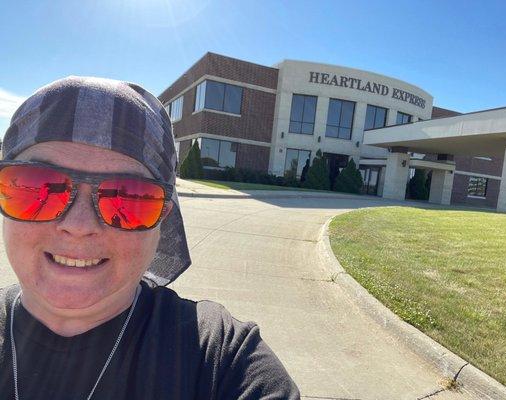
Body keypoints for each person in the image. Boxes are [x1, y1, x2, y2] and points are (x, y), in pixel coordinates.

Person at [0, 76, 300, 399]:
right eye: (37, 185)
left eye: (128, 197)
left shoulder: (222, 361)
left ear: (162, 219)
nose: (78, 225)